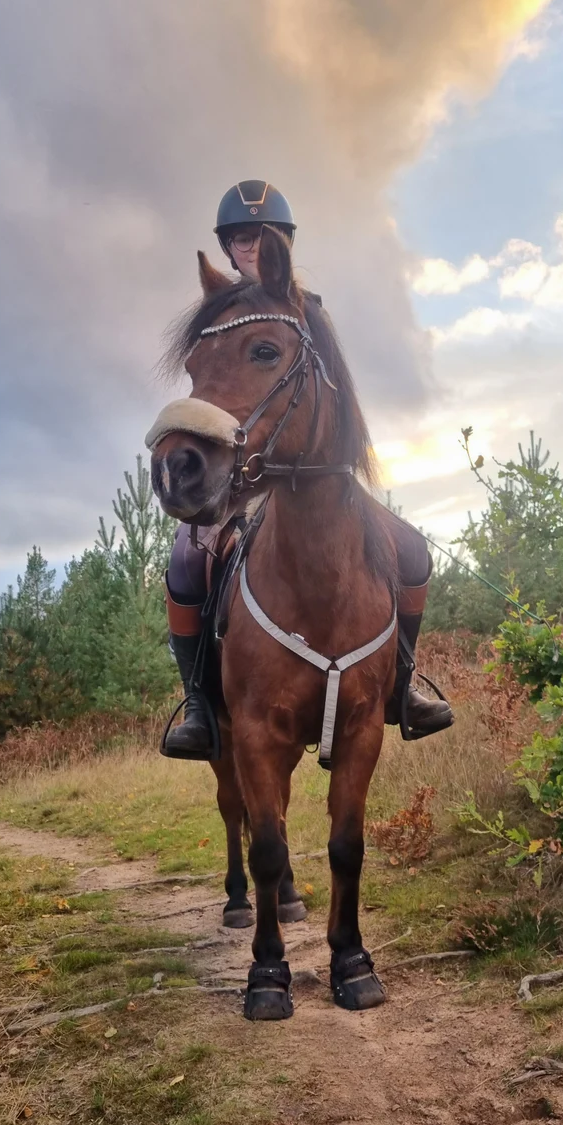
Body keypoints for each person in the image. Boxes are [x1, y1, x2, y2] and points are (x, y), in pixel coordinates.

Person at [161, 179, 453, 759]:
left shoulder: (308, 314)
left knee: (414, 549)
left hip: (321, 478)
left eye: (259, 237)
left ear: (282, 244)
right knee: (187, 559)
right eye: (238, 239)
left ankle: (401, 682)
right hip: (241, 474)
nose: (249, 248)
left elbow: (337, 398)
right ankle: (198, 700)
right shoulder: (219, 315)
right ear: (226, 250)